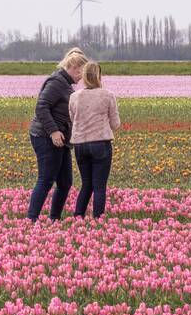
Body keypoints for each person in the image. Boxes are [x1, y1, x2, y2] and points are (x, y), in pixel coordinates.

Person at [26, 48, 88, 221]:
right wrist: (53, 131)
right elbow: (41, 106)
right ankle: (30, 220)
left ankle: (54, 219)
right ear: (74, 67)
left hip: (61, 140)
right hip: (45, 137)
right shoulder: (56, 82)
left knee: (65, 182)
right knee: (46, 179)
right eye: (80, 72)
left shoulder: (64, 83)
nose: (81, 77)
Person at [68, 61, 121, 218]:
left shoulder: (74, 97)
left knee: (86, 184)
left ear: (84, 76)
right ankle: (98, 219)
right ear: (99, 76)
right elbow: (115, 124)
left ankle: (78, 216)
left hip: (80, 145)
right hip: (100, 144)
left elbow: (72, 119)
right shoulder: (107, 95)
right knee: (99, 186)